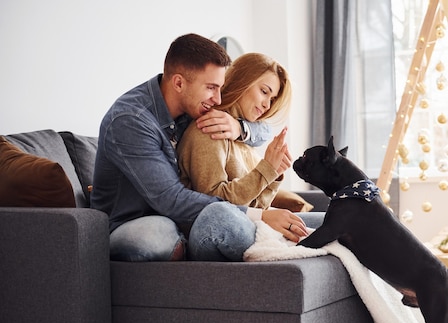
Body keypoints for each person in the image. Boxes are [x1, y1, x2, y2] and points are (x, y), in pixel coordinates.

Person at [91, 33, 308, 262]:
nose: (217, 99)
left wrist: (239, 128)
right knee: (163, 232)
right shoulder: (130, 120)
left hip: (179, 217)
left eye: (220, 88)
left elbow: (263, 129)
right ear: (178, 83)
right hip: (130, 224)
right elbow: (170, 199)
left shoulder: (190, 107)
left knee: (329, 219)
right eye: (211, 88)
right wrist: (260, 216)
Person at [177, 53, 324, 238]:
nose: (267, 105)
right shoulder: (210, 129)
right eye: (264, 92)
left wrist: (274, 175)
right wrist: (265, 170)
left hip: (246, 223)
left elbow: (257, 206)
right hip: (216, 230)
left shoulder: (243, 137)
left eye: (272, 99)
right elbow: (215, 205)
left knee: (340, 223)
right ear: (242, 82)